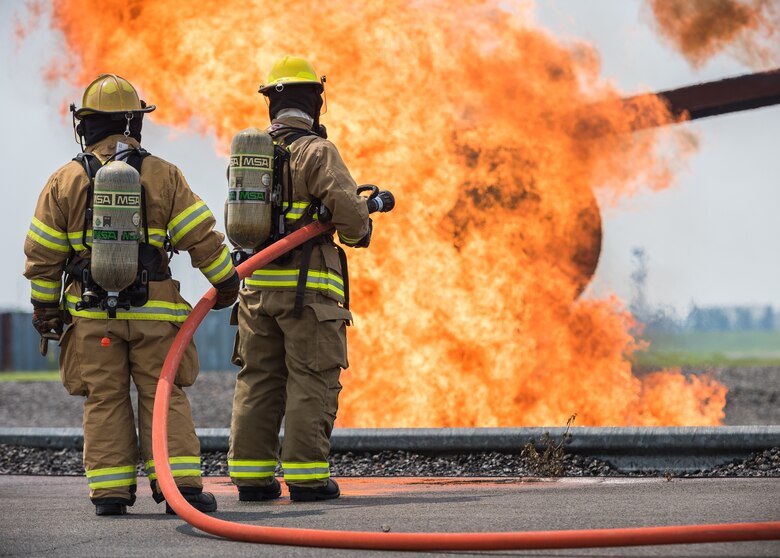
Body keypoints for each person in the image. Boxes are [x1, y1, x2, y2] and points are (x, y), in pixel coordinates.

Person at [23, 74, 240, 516]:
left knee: (104, 398)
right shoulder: (162, 175)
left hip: (90, 317)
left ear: (85, 124)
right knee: (163, 393)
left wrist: (46, 308)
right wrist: (225, 283)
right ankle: (179, 488)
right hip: (154, 315)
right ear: (133, 123)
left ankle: (110, 493)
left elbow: (43, 256)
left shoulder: (64, 181)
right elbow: (201, 238)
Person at [227, 56, 394, 502]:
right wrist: (366, 217)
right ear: (314, 103)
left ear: (272, 104)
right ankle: (306, 479)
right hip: (307, 296)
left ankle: (252, 479)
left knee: (258, 380)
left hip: (256, 290)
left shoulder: (250, 156)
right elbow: (352, 221)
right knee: (310, 379)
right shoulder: (317, 152)